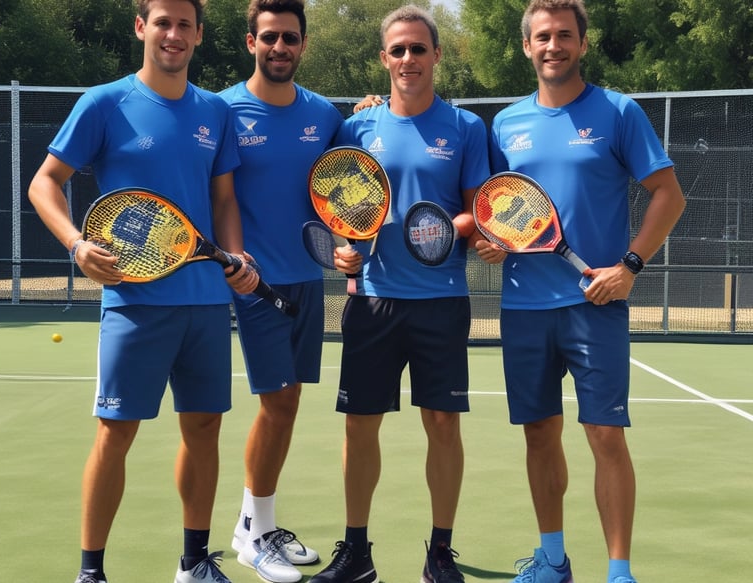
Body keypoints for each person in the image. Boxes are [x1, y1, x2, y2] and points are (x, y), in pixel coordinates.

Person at [27, 1, 261, 582]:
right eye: (163, 22)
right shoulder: (105, 103)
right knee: (116, 432)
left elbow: (224, 198)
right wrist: (78, 246)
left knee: (204, 428)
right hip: (134, 302)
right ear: (142, 27)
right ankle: (91, 573)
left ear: (199, 34)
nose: (174, 35)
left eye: (185, 25)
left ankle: (194, 564)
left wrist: (237, 254)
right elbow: (44, 183)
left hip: (207, 301)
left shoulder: (214, 111)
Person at [475, 1, 686, 582]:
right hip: (523, 308)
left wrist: (630, 265)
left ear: (582, 43)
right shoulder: (505, 125)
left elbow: (669, 195)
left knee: (605, 435)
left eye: (564, 35)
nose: (553, 46)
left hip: (596, 306)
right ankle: (552, 561)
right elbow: (497, 206)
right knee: (540, 434)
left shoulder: (618, 111)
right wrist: (493, 241)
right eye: (542, 36)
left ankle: (619, 573)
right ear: (526, 46)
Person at [310, 6, 490, 583]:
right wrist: (343, 245)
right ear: (384, 58)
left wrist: (452, 228)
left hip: (441, 301)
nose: (408, 59)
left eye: (418, 49)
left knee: (443, 425)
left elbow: (476, 212)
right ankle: (357, 553)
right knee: (359, 426)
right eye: (398, 50)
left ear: (436, 55)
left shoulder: (466, 129)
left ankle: (440, 552)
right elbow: (340, 208)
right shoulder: (356, 128)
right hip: (372, 300)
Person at [216, 1, 344, 582]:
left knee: (289, 403)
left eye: (290, 38)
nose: (279, 47)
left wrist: (367, 107)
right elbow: (218, 195)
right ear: (251, 42)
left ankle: (256, 524)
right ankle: (252, 535)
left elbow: (347, 171)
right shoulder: (222, 110)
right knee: (277, 401)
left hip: (308, 278)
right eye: (269, 37)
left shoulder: (323, 112)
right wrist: (235, 259)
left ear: (303, 45)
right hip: (255, 281)